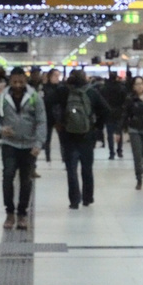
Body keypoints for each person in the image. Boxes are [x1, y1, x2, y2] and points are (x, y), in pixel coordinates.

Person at [0, 68, 46, 230]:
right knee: (8, 176)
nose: (18, 85)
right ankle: (9, 213)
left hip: (29, 145)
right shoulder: (1, 98)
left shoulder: (35, 98)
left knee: (26, 179)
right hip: (9, 144)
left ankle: (22, 214)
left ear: (25, 81)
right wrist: (0, 129)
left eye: (21, 82)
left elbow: (42, 121)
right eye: (15, 82)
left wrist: (39, 143)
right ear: (10, 81)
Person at [52, 69, 103, 209]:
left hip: (68, 136)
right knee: (87, 168)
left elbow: (51, 107)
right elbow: (106, 110)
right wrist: (96, 126)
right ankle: (87, 198)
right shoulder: (92, 92)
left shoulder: (63, 92)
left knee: (71, 169)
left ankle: (74, 200)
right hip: (87, 136)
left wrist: (59, 124)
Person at [100, 71, 129, 160]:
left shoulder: (104, 88)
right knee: (119, 132)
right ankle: (119, 150)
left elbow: (102, 100)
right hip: (119, 112)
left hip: (108, 112)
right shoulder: (121, 88)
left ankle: (111, 152)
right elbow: (125, 100)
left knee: (109, 134)